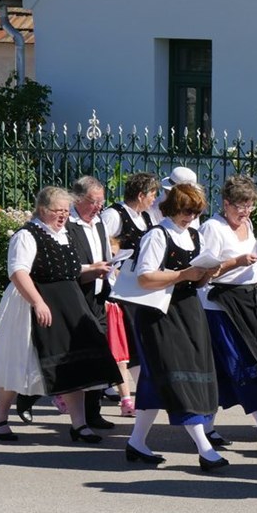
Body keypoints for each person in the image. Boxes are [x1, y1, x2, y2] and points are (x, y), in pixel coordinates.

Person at [0, 186, 121, 443]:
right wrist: (38, 302)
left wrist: (92, 270)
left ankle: (79, 425)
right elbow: (18, 272)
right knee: (19, 362)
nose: (63, 215)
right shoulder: (27, 235)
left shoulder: (63, 234)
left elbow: (66, 269)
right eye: (57, 210)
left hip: (68, 304)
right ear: (42, 209)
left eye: (66, 211)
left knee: (73, 362)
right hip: (33, 303)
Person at [126, 183, 226, 470]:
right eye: (186, 211)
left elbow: (198, 281)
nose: (190, 217)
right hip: (160, 314)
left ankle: (136, 442)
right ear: (172, 208)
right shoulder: (157, 235)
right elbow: (145, 278)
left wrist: (208, 273)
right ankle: (205, 448)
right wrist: (184, 274)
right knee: (178, 376)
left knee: (158, 379)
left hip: (188, 310)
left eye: (194, 212)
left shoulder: (194, 235)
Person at [199, 175, 257, 450]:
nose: (246, 211)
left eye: (250, 206)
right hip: (221, 305)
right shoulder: (213, 228)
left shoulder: (247, 224)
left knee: (230, 367)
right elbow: (204, 271)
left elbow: (249, 259)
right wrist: (236, 262)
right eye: (240, 206)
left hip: (249, 299)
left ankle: (207, 428)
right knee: (239, 362)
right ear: (226, 203)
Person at [101, 171, 160, 416]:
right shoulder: (114, 215)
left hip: (137, 289)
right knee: (125, 343)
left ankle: (142, 392)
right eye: (153, 194)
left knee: (137, 341)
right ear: (141, 195)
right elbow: (101, 246)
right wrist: (112, 268)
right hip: (117, 289)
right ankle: (125, 394)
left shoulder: (146, 217)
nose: (155, 200)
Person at [67, 176, 117, 431]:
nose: (98, 207)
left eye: (101, 202)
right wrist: (91, 268)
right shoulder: (67, 224)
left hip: (98, 296)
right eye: (93, 201)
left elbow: (105, 255)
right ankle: (28, 397)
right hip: (76, 296)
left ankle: (92, 412)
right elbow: (65, 264)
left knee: (100, 354)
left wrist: (110, 271)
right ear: (78, 199)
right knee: (75, 355)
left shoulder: (99, 223)